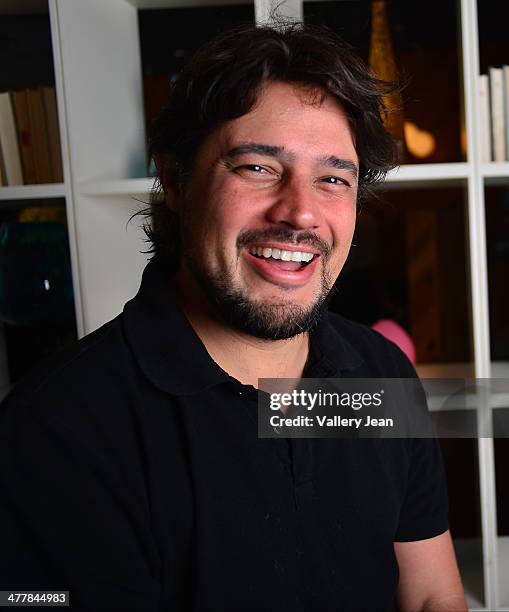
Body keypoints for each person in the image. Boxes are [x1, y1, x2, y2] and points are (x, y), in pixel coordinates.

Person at [0, 20, 466, 612]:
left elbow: (430, 596)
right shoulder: (58, 429)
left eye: (332, 179)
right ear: (174, 180)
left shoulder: (380, 377)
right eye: (257, 167)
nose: (301, 213)